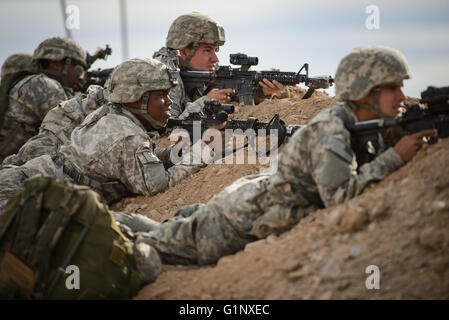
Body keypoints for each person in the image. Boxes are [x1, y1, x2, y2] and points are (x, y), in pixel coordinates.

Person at [115, 45, 437, 266]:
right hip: (239, 221)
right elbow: (340, 195)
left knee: (166, 230)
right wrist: (396, 155)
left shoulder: (356, 121)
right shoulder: (332, 129)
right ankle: (95, 224)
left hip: (250, 202)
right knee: (152, 245)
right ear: (367, 91)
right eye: (392, 88)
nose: (400, 97)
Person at [0, 58, 208, 211]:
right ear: (136, 100)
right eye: (161, 95)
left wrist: (177, 152)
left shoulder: (113, 114)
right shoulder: (127, 135)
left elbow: (146, 156)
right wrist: (201, 154)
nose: (169, 102)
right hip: (20, 195)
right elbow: (159, 184)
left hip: (27, 184)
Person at [153, 12, 286, 119]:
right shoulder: (163, 73)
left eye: (215, 50)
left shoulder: (208, 69)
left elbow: (234, 95)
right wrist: (205, 102)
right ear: (183, 51)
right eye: (207, 50)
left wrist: (261, 92)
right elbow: (168, 127)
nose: (215, 59)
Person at [0, 37, 87, 161]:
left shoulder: (24, 84)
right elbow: (78, 131)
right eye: (80, 69)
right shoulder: (46, 86)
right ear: (56, 64)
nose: (81, 78)